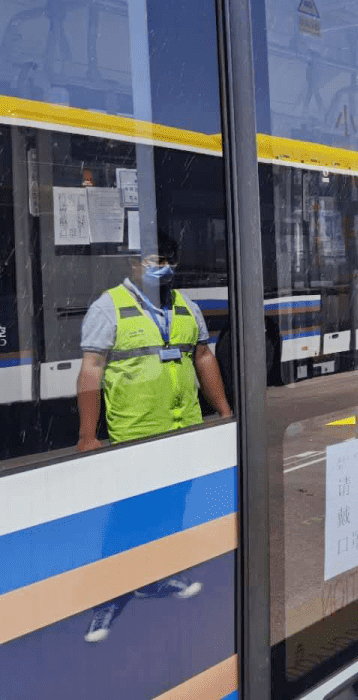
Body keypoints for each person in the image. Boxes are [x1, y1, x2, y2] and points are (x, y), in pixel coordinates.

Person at [76, 236, 232, 643]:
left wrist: (224, 411)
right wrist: (87, 436)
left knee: (172, 507)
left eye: (165, 260)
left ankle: (155, 579)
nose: (158, 267)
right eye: (149, 260)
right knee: (127, 518)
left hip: (182, 429)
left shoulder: (186, 306)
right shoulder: (108, 307)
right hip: (136, 432)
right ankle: (108, 600)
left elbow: (203, 357)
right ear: (132, 264)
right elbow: (92, 369)